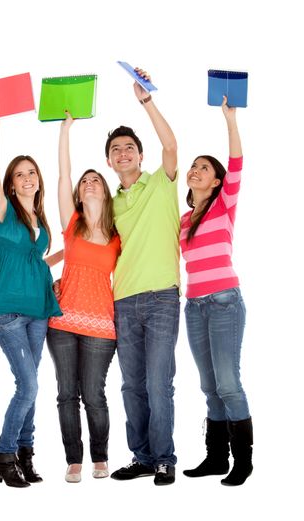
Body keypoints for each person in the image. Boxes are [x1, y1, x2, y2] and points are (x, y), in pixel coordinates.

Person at [0, 102, 62, 488]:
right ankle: (5, 453)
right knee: (27, 386)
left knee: (30, 386)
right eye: (20, 174)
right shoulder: (3, 211)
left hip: (39, 309)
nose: (26, 178)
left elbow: (39, 259)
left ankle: (26, 454)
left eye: (32, 172)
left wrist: (75, 255)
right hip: (9, 311)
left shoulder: (42, 220)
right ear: (12, 183)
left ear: (38, 179)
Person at [107, 68, 180, 486]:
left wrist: (146, 101)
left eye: (129, 147)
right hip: (123, 301)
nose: (123, 153)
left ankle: (164, 458)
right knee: (131, 386)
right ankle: (142, 457)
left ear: (140, 154)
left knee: (158, 383)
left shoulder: (162, 184)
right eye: (116, 149)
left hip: (162, 297)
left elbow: (171, 144)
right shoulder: (111, 204)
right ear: (109, 159)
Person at [180, 97, 253, 486]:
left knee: (228, 382)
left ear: (216, 180)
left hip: (225, 302)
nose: (195, 171)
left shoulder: (224, 205)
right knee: (209, 385)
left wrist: (230, 120)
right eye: (193, 167)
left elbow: (237, 163)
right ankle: (215, 458)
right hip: (194, 306)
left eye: (203, 168)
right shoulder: (184, 221)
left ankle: (243, 461)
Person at [46, 113, 121, 483]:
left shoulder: (117, 234)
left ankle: (101, 457)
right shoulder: (71, 223)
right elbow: (62, 175)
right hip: (61, 321)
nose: (90, 183)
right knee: (65, 395)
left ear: (105, 191)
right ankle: (74, 459)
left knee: (94, 395)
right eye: (85, 181)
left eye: (96, 180)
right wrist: (65, 131)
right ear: (79, 193)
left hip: (101, 326)